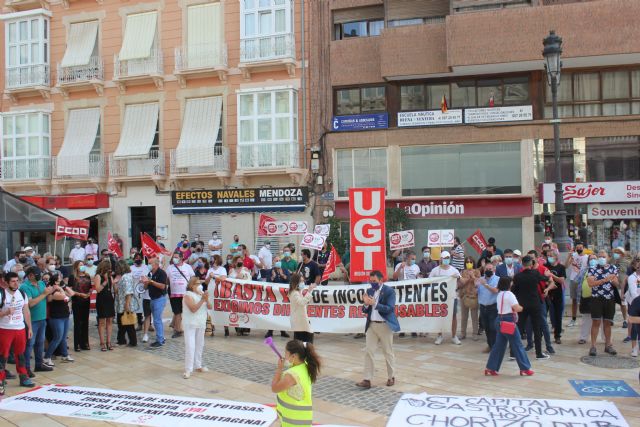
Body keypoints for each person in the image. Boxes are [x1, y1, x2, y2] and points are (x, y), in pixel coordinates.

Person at [356, 270, 400, 389]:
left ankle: (391, 376)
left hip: (385, 325)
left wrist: (375, 304)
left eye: (374, 281)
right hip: (372, 325)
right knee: (368, 351)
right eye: (370, 281)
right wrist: (365, 304)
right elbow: (365, 310)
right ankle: (367, 379)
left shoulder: (389, 291)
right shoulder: (369, 291)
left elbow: (390, 308)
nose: (372, 283)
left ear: (381, 280)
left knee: (388, 352)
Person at [484, 277, 534, 377]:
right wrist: (522, 307)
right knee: (518, 344)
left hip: (499, 320)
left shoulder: (499, 294)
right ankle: (525, 368)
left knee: (499, 346)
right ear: (509, 284)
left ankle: (490, 368)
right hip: (508, 321)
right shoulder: (509, 294)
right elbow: (517, 308)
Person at [272, 340, 321, 427]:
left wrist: (279, 368)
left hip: (292, 421)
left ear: (293, 356)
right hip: (302, 419)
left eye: (286, 353)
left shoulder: (291, 375)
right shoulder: (305, 365)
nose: (285, 356)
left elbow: (274, 388)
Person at [0, 272, 34, 394]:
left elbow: (26, 312)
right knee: (3, 356)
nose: (16, 283)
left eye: (17, 281)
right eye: (13, 281)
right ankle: (1, 380)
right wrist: (5, 313)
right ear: (6, 282)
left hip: (20, 329)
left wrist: (29, 328)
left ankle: (23, 377)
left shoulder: (22, 293)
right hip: (5, 329)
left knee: (20, 354)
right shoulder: (1, 294)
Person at [512, 256, 550, 361]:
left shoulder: (517, 276)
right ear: (531, 264)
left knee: (519, 328)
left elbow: (514, 290)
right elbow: (545, 279)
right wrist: (546, 275)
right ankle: (539, 353)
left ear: (522, 264)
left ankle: (513, 353)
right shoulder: (535, 273)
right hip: (534, 304)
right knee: (536, 329)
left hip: (522, 305)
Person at [20, 266, 54, 375]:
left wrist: (51, 292)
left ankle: (39, 365)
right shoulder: (25, 287)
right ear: (30, 275)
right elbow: (30, 304)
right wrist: (44, 294)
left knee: (40, 343)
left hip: (42, 318)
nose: (40, 276)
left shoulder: (41, 283)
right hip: (32, 320)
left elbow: (47, 299)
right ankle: (26, 368)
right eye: (37, 274)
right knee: (30, 344)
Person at [587, 249, 618, 357]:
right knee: (596, 322)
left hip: (609, 298)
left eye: (603, 256)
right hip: (596, 298)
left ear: (608, 258)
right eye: (599, 256)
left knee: (607, 323)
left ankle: (608, 345)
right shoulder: (592, 268)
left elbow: (616, 283)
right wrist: (605, 279)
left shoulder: (613, 268)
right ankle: (593, 346)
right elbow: (590, 283)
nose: (601, 258)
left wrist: (613, 280)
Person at [429, 251, 462, 345]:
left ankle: (454, 336)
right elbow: (429, 281)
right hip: (439, 297)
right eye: (444, 258)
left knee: (453, 316)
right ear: (441, 259)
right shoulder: (435, 270)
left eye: (448, 258)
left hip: (452, 297)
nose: (446, 260)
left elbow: (460, 282)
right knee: (439, 316)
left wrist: (457, 278)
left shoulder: (454, 270)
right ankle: (439, 335)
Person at [182, 277, 212, 379]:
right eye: (197, 283)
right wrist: (202, 299)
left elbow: (210, 307)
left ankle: (198, 365)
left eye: (200, 283)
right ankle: (188, 369)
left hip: (201, 323)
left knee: (200, 345)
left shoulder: (201, 293)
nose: (200, 285)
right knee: (190, 346)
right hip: (190, 323)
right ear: (192, 285)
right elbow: (193, 309)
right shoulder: (187, 295)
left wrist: (206, 299)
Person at [44, 275, 75, 365]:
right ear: (55, 282)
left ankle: (65, 355)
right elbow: (65, 297)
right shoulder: (52, 291)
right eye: (60, 279)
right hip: (56, 317)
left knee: (63, 338)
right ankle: (47, 357)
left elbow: (72, 293)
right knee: (57, 337)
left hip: (65, 315)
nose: (62, 280)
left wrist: (64, 286)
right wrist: (62, 289)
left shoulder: (60, 288)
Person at [166, 251, 195, 339]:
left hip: (185, 294)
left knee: (185, 312)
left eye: (176, 257)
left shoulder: (188, 267)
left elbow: (193, 278)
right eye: (173, 257)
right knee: (177, 312)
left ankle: (181, 326)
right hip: (174, 293)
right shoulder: (170, 268)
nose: (174, 259)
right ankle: (178, 330)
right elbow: (166, 279)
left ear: (182, 258)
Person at [141, 257, 168, 347]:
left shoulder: (161, 273)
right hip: (152, 298)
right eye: (148, 263)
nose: (148, 265)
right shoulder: (149, 273)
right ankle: (161, 338)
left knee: (157, 320)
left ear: (156, 264)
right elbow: (145, 288)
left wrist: (151, 281)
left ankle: (160, 340)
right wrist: (145, 282)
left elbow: (162, 286)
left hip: (159, 298)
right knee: (156, 319)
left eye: (150, 263)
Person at [68, 261, 92, 352]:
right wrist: (80, 294)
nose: (82, 266)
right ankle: (77, 344)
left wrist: (89, 294)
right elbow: (70, 290)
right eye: (80, 265)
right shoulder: (73, 277)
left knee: (85, 322)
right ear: (76, 267)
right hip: (77, 301)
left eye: (83, 265)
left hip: (86, 300)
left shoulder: (87, 276)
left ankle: (85, 343)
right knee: (77, 322)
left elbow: (90, 287)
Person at [477, 260, 499, 350]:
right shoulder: (480, 279)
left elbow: (495, 290)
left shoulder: (498, 279)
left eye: (490, 269)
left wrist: (485, 284)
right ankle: (490, 345)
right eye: (487, 269)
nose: (488, 270)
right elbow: (476, 292)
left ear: (494, 270)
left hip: (493, 307)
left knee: (493, 328)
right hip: (483, 307)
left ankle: (495, 346)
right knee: (486, 328)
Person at [565, 241, 589, 327]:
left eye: (580, 247)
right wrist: (569, 256)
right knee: (574, 300)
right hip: (573, 280)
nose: (579, 249)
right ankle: (573, 319)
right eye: (577, 247)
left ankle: (585, 319)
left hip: (583, 281)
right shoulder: (573, 255)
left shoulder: (587, 257)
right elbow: (566, 266)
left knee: (584, 299)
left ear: (583, 248)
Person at [288, 273, 317, 343]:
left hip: (301, 320)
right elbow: (302, 302)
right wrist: (309, 291)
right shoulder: (294, 293)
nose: (303, 283)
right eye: (301, 281)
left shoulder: (298, 292)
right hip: (299, 321)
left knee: (305, 340)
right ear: (296, 282)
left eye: (303, 281)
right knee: (302, 342)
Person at [115, 260, 138, 347]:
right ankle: (121, 340)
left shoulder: (126, 277)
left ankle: (132, 341)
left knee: (128, 323)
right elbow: (118, 291)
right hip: (121, 303)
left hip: (125, 303)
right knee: (122, 323)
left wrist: (127, 304)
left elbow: (128, 292)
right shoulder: (123, 277)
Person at [94, 260, 116, 351]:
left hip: (109, 299)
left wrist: (114, 282)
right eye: (108, 267)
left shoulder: (110, 277)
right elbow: (98, 289)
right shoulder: (98, 276)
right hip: (101, 299)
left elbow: (113, 289)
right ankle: (102, 342)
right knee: (102, 321)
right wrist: (105, 281)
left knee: (110, 321)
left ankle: (109, 341)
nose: (109, 269)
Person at [546, 252, 566, 345]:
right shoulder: (545, 266)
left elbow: (561, 280)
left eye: (551, 256)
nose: (549, 258)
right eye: (548, 256)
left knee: (558, 316)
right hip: (546, 293)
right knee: (543, 315)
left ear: (556, 257)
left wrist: (551, 275)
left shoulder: (561, 267)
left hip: (557, 294)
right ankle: (541, 335)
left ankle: (557, 335)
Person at [459, 258, 481, 340]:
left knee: (474, 316)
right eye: (467, 262)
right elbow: (461, 282)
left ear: (473, 263)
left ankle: (475, 334)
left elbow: (478, 283)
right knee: (464, 316)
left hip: (474, 296)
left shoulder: (477, 271)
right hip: (464, 296)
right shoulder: (462, 272)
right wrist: (468, 278)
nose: (469, 263)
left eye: (470, 262)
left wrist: (473, 276)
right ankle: (462, 333)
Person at [131, 253, 151, 341]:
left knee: (147, 308)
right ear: (134, 259)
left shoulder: (145, 267)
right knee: (137, 307)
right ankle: (139, 323)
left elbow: (148, 277)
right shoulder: (131, 268)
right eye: (136, 258)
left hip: (145, 290)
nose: (138, 259)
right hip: (135, 290)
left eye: (140, 258)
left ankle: (149, 324)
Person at [625, 260, 640, 356]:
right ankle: (634, 348)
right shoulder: (631, 277)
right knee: (634, 326)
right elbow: (634, 292)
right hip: (634, 303)